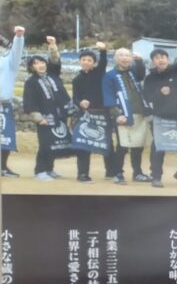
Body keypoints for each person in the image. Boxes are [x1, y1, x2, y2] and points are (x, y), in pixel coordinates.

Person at [144, 41, 177, 188]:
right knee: (158, 147)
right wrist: (159, 93)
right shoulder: (150, 78)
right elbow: (147, 96)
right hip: (161, 117)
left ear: (168, 59)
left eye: (163, 57)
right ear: (153, 61)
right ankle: (156, 176)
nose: (160, 60)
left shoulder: (176, 71)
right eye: (157, 58)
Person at [22, 39, 72, 181]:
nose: (40, 65)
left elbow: (55, 61)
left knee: (55, 143)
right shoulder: (31, 82)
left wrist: (53, 46)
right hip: (44, 117)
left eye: (42, 62)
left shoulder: (53, 74)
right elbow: (29, 101)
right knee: (45, 144)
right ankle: (40, 170)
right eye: (36, 63)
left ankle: (50, 169)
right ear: (32, 67)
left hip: (59, 114)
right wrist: (38, 118)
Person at [102, 47, 150, 184]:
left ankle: (137, 172)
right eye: (121, 55)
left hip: (139, 113)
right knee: (122, 146)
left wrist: (139, 61)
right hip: (123, 114)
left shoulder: (133, 72)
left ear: (130, 58)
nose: (124, 58)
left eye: (127, 55)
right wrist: (116, 114)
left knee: (138, 145)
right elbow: (108, 96)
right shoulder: (110, 75)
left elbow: (141, 74)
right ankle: (118, 173)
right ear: (115, 58)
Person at [71, 42, 110, 182]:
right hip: (86, 114)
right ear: (80, 61)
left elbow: (103, 62)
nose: (86, 62)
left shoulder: (99, 73)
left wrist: (103, 50)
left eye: (89, 60)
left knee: (107, 143)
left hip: (102, 113)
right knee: (83, 145)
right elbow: (75, 97)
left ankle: (111, 172)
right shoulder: (76, 79)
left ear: (94, 63)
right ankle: (82, 174)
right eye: (84, 60)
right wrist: (80, 103)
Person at [0, 26, 25, 177]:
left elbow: (16, 52)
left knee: (5, 137)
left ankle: (3, 167)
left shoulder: (8, 61)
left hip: (4, 104)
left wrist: (18, 37)